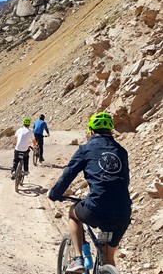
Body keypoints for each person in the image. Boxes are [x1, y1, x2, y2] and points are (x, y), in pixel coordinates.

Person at [48, 112, 131, 273]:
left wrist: (54, 194)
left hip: (97, 206)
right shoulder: (121, 151)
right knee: (108, 258)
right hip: (123, 211)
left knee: (73, 213)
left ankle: (78, 258)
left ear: (91, 131)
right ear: (111, 132)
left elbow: (68, 174)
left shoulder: (86, 149)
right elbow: (123, 181)